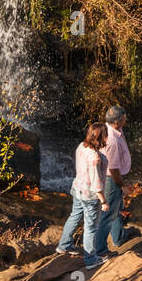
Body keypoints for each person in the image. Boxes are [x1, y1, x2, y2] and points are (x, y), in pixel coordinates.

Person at [56, 122, 109, 270]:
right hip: (90, 196)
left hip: (77, 188)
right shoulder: (94, 158)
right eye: (106, 134)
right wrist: (103, 200)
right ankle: (91, 259)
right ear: (101, 137)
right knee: (91, 227)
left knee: (74, 216)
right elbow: (96, 184)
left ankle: (64, 245)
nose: (107, 137)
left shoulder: (82, 146)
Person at [95, 105, 131, 259]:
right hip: (111, 179)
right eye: (123, 117)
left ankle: (118, 236)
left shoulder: (113, 130)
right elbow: (114, 168)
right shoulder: (113, 141)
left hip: (110, 177)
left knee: (116, 208)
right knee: (108, 214)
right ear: (117, 121)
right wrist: (122, 185)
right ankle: (101, 249)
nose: (125, 119)